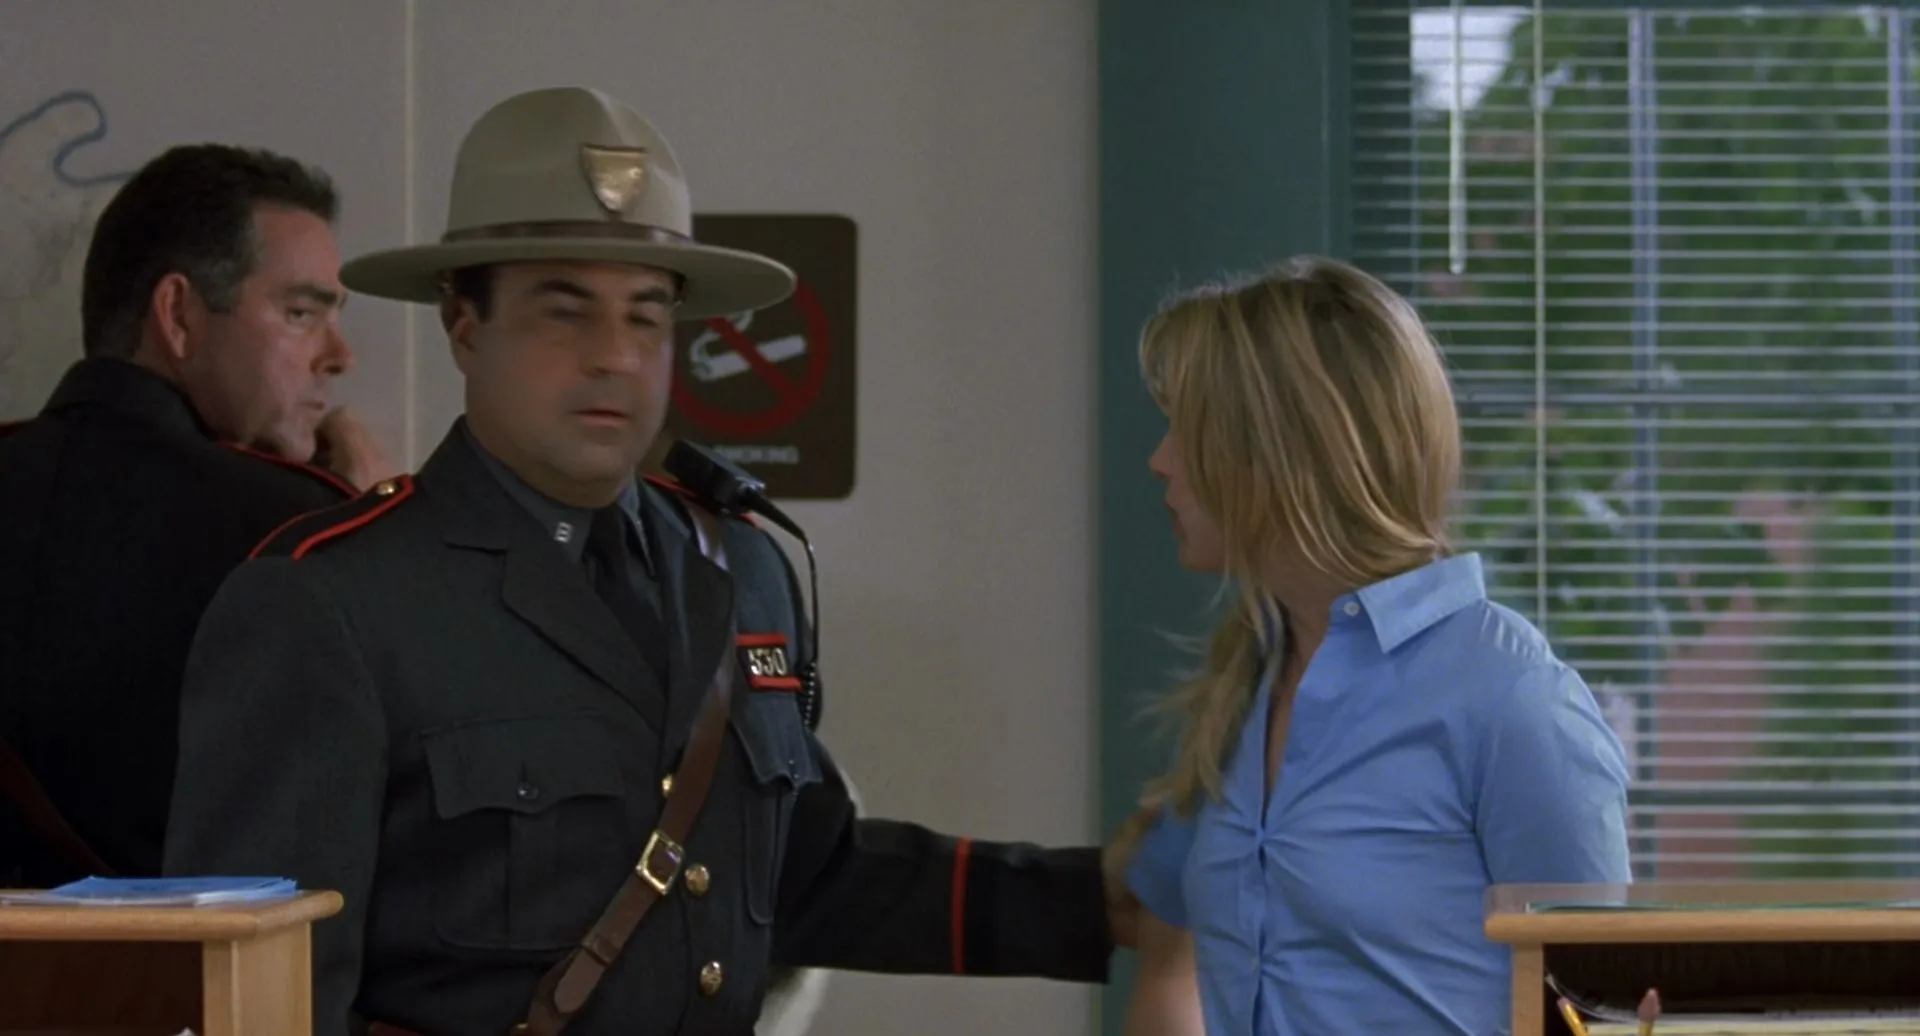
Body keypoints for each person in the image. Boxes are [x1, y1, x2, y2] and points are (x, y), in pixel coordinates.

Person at [162, 87, 1121, 1036]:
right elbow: (261, 998)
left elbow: (806, 874)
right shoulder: (330, 602)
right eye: (565, 312)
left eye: (647, 316)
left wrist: (1111, 899)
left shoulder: (740, 566)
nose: (615, 356)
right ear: (464, 325)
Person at [1110, 256, 1633, 1035]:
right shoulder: (1243, 687)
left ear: (1280, 450)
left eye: (1188, 429)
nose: (1160, 460)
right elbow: (1166, 953)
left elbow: (1597, 1015)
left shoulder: (1509, 702)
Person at [0, 143, 388, 887]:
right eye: (301, 312)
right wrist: (377, 534)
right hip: (198, 964)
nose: (339, 355)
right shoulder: (297, 529)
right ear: (178, 315)